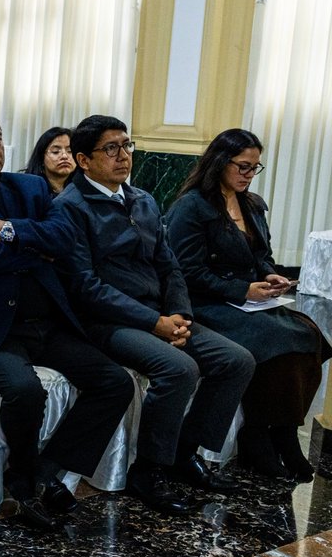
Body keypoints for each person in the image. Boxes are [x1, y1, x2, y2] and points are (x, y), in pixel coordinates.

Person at [0, 107, 132, 529]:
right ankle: (21, 485)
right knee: (25, 390)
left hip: (43, 322)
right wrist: (35, 247)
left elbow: (65, 237)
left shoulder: (31, 186)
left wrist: (9, 230)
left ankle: (46, 471)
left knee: (114, 382)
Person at [57, 116, 255, 512]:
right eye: (110, 149)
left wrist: (179, 314)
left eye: (127, 146)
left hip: (160, 314)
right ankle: (148, 470)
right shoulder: (70, 208)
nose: (123, 156)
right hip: (105, 322)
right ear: (83, 159)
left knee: (237, 360)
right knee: (179, 368)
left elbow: (170, 267)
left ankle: (184, 453)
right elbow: (85, 287)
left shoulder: (142, 200)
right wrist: (154, 323)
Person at [166, 128, 331, 482]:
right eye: (242, 166)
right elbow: (186, 271)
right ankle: (258, 435)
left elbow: (262, 256)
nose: (248, 174)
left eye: (255, 167)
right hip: (206, 302)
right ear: (220, 162)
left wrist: (270, 276)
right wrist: (243, 290)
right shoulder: (191, 207)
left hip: (245, 299)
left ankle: (284, 433)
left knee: (310, 334)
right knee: (274, 338)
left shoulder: (252, 204)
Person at [24, 127, 75, 196]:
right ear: (41, 157)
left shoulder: (82, 189)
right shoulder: (28, 188)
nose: (65, 156)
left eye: (70, 151)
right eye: (55, 152)